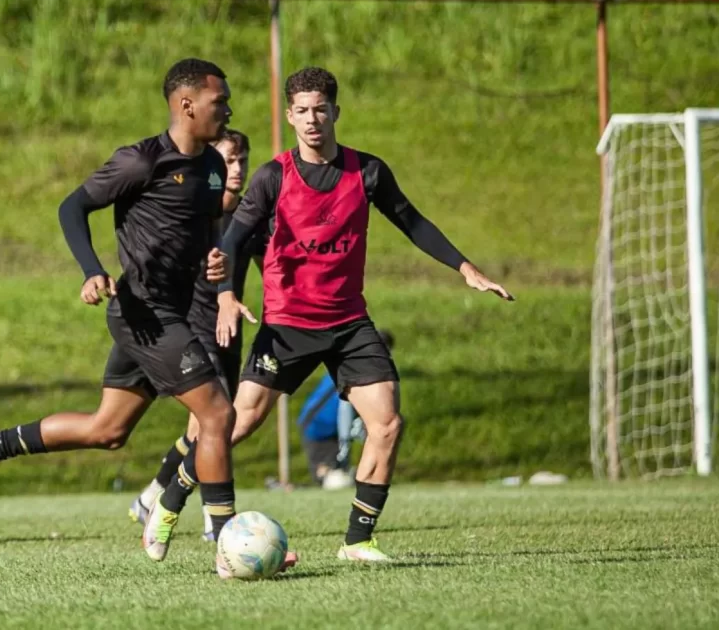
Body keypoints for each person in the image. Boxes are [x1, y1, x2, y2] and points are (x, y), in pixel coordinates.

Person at [151, 66, 514, 563]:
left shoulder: (367, 172)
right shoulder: (273, 176)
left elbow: (411, 221)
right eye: (301, 111)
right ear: (290, 116)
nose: (312, 119)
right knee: (235, 425)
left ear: (335, 111)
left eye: (320, 109)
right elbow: (233, 239)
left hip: (348, 324)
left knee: (387, 423)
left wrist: (465, 268)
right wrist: (226, 294)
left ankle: (358, 541)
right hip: (287, 325)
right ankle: (171, 497)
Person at [0, 59, 242, 572]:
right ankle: (227, 543)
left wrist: (215, 260)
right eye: (220, 101)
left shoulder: (213, 167)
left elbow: (208, 228)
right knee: (217, 414)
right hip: (144, 313)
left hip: (170, 313)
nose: (229, 109)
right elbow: (72, 207)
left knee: (107, 430)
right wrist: (91, 270)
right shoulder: (140, 161)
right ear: (187, 104)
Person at [128, 128, 262, 541]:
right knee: (215, 422)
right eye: (228, 160)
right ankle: (212, 520)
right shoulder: (194, 209)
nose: (236, 168)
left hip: (228, 331)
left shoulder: (250, 215)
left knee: (203, 430)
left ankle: (151, 496)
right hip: (193, 327)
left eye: (241, 160)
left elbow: (272, 265)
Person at [298, 328, 392, 489]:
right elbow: (345, 407)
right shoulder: (356, 369)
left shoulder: (361, 366)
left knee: (342, 474)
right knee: (333, 480)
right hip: (319, 426)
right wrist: (346, 439)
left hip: (329, 425)